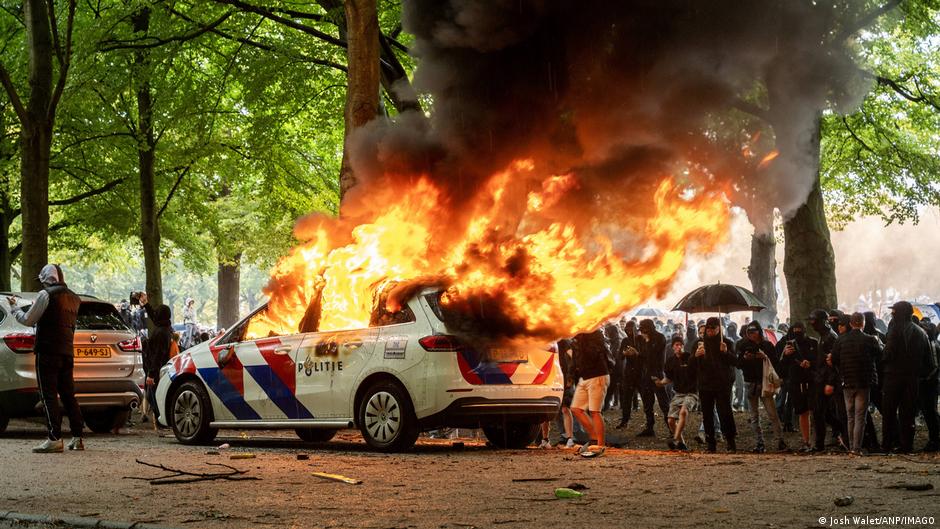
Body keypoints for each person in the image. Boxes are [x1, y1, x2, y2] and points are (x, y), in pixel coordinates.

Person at [8, 264, 85, 452]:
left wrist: (13, 307)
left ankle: (54, 438)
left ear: (44, 279)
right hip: (67, 352)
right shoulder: (74, 298)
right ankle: (77, 438)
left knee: (48, 395)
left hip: (48, 351)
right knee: (68, 395)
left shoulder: (46, 295)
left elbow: (28, 320)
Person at [881, 301, 933, 454]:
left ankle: (887, 445)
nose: (892, 314)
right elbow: (928, 361)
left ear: (900, 313)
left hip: (893, 377)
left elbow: (887, 354)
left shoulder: (894, 330)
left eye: (894, 311)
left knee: (889, 412)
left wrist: (881, 355)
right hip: (913, 379)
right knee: (908, 413)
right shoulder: (921, 332)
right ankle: (906, 445)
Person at [830, 312, 882, 454]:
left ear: (851, 323)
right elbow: (879, 355)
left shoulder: (841, 340)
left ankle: (851, 444)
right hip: (864, 382)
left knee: (850, 416)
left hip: (847, 381)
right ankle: (856, 447)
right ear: (863, 323)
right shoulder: (870, 339)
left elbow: (834, 359)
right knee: (860, 416)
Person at [737, 321, 786, 452]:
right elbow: (738, 364)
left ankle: (780, 441)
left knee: (772, 413)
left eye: (754, 332)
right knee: (754, 416)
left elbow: (775, 363)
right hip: (750, 383)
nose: (752, 335)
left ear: (759, 332)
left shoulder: (768, 345)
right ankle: (759, 443)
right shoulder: (742, 345)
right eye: (749, 332)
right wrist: (746, 358)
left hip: (765, 382)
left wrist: (765, 357)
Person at [692, 317, 737, 453]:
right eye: (708, 328)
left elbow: (735, 362)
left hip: (722, 384)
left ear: (719, 328)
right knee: (707, 414)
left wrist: (725, 352)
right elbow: (691, 366)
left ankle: (730, 441)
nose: (710, 331)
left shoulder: (727, 342)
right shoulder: (700, 343)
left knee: (725, 412)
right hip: (705, 384)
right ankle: (710, 443)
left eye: (714, 328)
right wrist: (695, 356)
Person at [808, 309, 848, 452]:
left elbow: (833, 362)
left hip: (826, 381)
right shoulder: (824, 336)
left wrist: (830, 382)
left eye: (814, 322)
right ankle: (839, 432)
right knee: (822, 413)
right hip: (821, 379)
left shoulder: (830, 337)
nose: (812, 325)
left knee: (820, 413)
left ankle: (820, 444)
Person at [571, 328, 610, 457]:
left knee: (595, 411)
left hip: (598, 375)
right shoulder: (579, 338)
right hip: (585, 376)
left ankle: (600, 445)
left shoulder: (594, 334)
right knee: (576, 409)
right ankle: (593, 438)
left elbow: (592, 354)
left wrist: (579, 341)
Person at [657, 336, 697, 451]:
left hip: (691, 392)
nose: (679, 347)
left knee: (683, 412)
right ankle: (681, 443)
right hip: (678, 393)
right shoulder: (670, 361)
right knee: (670, 420)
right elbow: (669, 378)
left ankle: (675, 439)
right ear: (673, 347)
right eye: (676, 345)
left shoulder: (690, 358)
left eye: (681, 345)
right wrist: (660, 383)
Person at [636, 319, 670, 437]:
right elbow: (644, 357)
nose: (642, 331)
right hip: (646, 373)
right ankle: (649, 427)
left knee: (663, 403)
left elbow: (652, 355)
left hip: (656, 372)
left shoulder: (659, 338)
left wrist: (647, 341)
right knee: (647, 402)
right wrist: (636, 353)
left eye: (643, 329)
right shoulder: (643, 339)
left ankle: (672, 429)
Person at [143, 304, 175, 428]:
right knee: (152, 396)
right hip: (158, 370)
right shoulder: (166, 329)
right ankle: (161, 421)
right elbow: (155, 318)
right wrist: (146, 304)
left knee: (153, 397)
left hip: (156, 371)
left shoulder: (161, 333)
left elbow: (158, 355)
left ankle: (162, 421)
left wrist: (151, 374)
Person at [617, 320, 643, 429]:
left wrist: (636, 353)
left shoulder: (640, 339)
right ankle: (625, 420)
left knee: (646, 397)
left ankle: (649, 423)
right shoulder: (625, 340)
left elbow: (645, 356)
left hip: (640, 371)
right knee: (627, 397)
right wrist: (624, 353)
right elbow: (619, 356)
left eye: (630, 330)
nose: (629, 332)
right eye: (627, 330)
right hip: (628, 371)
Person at [556, 338, 577, 448]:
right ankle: (564, 436)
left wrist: (570, 377)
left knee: (565, 408)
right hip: (555, 378)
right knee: (556, 409)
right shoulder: (551, 342)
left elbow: (573, 358)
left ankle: (570, 438)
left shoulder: (564, 342)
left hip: (564, 378)